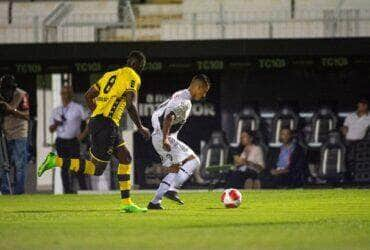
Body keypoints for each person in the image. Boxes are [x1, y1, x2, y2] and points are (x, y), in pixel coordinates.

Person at [38, 51, 151, 213]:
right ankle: (55, 161)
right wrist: (140, 127)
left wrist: (98, 114)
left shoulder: (110, 75)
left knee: (125, 157)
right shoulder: (133, 76)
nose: (140, 68)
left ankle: (127, 203)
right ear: (138, 65)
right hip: (107, 124)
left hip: (105, 122)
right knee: (96, 169)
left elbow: (88, 96)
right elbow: (130, 103)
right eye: (141, 66)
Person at [147, 74, 210, 210]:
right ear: (198, 87)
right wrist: (164, 138)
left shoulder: (180, 94)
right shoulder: (184, 102)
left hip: (162, 134)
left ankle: (155, 202)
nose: (204, 95)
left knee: (176, 168)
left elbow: (160, 113)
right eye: (203, 91)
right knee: (194, 161)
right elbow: (169, 117)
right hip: (163, 136)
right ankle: (172, 189)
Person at [49, 86, 89, 193]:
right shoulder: (56, 110)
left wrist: (82, 135)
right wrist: (56, 124)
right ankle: (67, 191)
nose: (64, 96)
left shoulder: (78, 108)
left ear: (71, 95)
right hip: (61, 141)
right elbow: (51, 129)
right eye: (62, 93)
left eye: (67, 93)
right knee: (64, 168)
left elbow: (89, 122)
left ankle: (83, 189)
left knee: (76, 165)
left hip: (73, 141)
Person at [0, 75, 30, 195]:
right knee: (2, 163)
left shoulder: (22, 95)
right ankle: (6, 191)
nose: (7, 92)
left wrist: (11, 110)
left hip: (19, 132)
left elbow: (27, 116)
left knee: (19, 163)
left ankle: (19, 192)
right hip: (4, 132)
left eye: (9, 89)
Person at [341, 99, 370, 180]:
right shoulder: (351, 115)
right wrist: (344, 129)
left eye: (360, 106)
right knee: (346, 157)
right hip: (347, 141)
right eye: (358, 106)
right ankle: (347, 176)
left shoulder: (369, 117)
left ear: (365, 106)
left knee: (354, 158)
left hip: (361, 142)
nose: (358, 107)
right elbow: (345, 126)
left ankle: (356, 176)